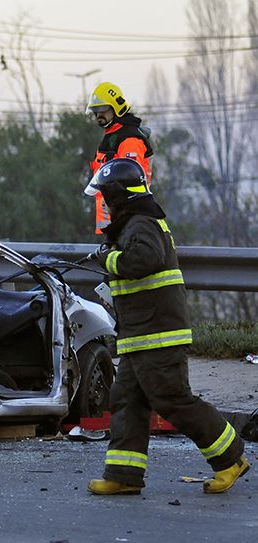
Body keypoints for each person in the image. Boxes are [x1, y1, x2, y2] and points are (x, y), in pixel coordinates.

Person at [85, 158, 249, 495]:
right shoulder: (132, 224)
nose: (103, 203)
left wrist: (107, 258)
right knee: (127, 399)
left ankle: (230, 458)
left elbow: (142, 261)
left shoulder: (142, 223)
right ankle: (124, 475)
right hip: (140, 335)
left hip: (157, 334)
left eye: (105, 196)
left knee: (172, 399)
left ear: (119, 195)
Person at [87, 81, 154, 234]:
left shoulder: (129, 139)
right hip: (115, 220)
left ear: (116, 109)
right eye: (95, 111)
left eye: (103, 110)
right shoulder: (112, 135)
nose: (98, 115)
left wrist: (120, 220)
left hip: (127, 218)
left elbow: (129, 181)